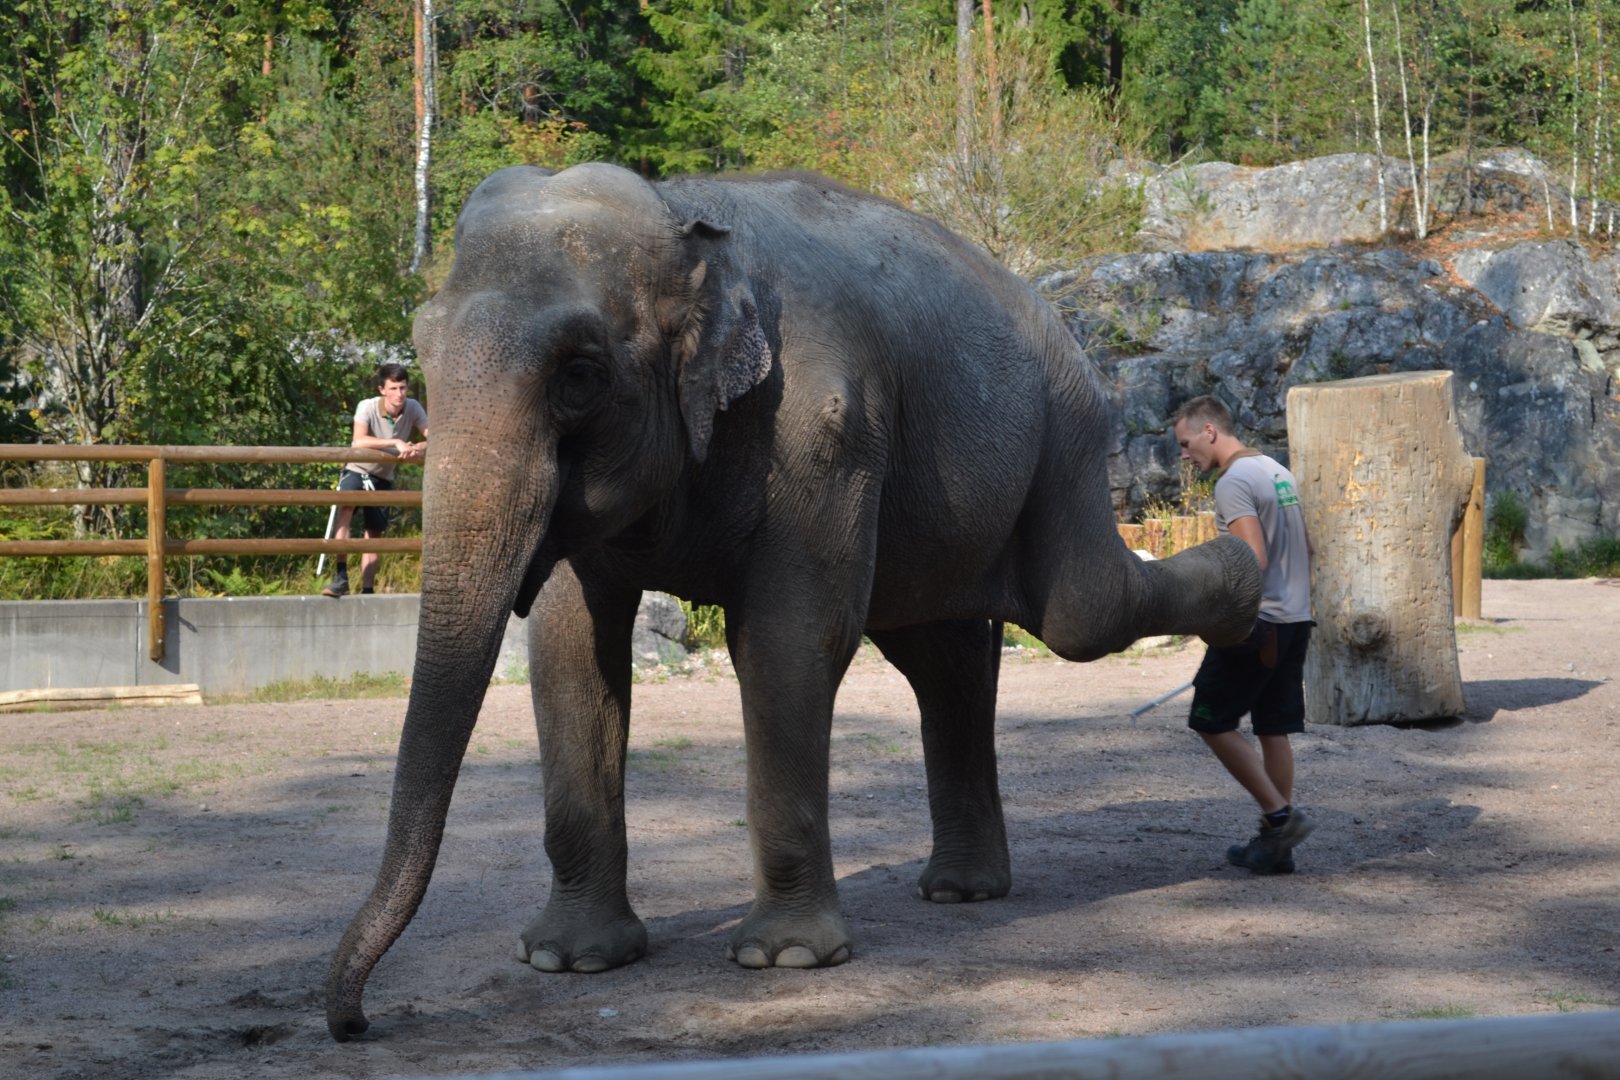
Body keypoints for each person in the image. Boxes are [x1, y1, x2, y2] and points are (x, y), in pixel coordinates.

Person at [1171, 395, 1314, 874]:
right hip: (1295, 620)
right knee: (1273, 729)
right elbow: (1308, 546)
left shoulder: (1233, 481)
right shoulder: (1276, 469)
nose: (1185, 455)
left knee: (1210, 719)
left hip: (1259, 626)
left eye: (1186, 444)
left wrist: (1213, 607)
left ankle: (1280, 816)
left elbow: (1253, 557)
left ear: (1209, 431)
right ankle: (1277, 847)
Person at [321, 363, 428, 598]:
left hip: (383, 475)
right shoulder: (366, 406)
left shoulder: (413, 407)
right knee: (345, 512)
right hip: (357, 468)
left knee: (374, 532)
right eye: (393, 388)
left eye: (403, 388)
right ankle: (341, 577)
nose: (399, 394)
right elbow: (358, 441)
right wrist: (395, 443)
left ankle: (368, 589)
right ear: (382, 389)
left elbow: (433, 436)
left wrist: (417, 447)